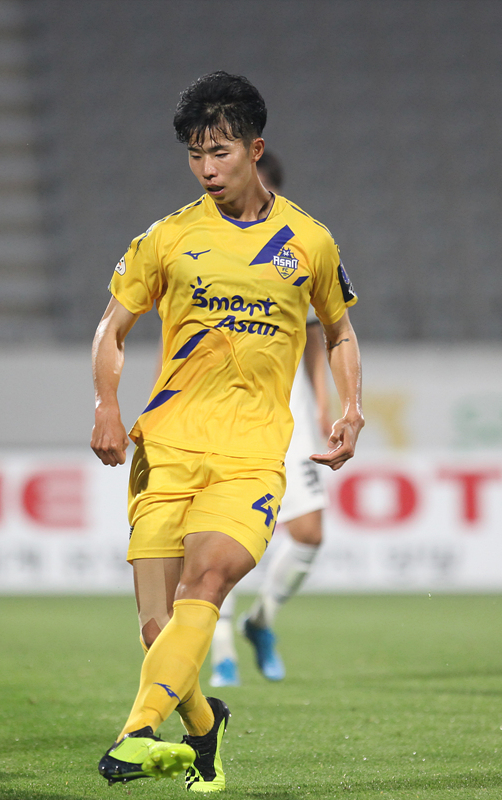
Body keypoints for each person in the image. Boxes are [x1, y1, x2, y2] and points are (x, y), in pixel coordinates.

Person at [90, 71, 364, 792]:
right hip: (166, 448)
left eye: (220, 152)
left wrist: (350, 406)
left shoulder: (309, 241)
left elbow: (339, 331)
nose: (207, 169)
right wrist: (106, 404)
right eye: (195, 155)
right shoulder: (167, 238)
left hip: (250, 455)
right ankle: (205, 728)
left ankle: (135, 734)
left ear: (254, 148)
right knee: (159, 631)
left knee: (208, 580)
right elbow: (111, 328)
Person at [208, 151, 331, 687]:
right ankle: (221, 653)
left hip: (289, 411)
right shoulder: (199, 244)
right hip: (221, 412)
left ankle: (261, 621)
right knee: (223, 535)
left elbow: (319, 331)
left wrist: (323, 400)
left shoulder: (296, 248)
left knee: (308, 532)